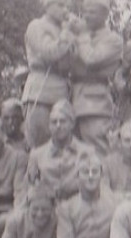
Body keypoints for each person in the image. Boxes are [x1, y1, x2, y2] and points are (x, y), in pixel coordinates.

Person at [21, 0, 78, 148]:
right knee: (40, 145)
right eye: (60, 5)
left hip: (64, 91)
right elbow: (49, 52)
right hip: (41, 91)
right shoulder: (37, 26)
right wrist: (67, 33)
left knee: (62, 146)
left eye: (67, 7)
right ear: (47, 5)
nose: (65, 10)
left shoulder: (66, 30)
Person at [67, 0, 122, 150]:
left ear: (105, 14)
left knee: (97, 149)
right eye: (85, 11)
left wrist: (82, 35)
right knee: (73, 150)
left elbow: (91, 59)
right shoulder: (79, 36)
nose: (86, 16)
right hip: (72, 97)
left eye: (92, 12)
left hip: (95, 102)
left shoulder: (113, 40)